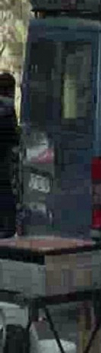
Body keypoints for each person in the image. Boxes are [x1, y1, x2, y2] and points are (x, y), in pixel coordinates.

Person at [0, 72, 18, 238]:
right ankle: (8, 227)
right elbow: (12, 135)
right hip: (4, 157)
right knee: (5, 191)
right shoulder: (7, 108)